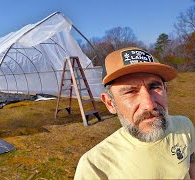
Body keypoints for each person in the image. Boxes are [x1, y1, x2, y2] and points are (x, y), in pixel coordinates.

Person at [74, 47, 195, 179]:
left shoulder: (184, 126)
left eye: (154, 87)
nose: (149, 105)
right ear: (110, 103)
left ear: (166, 91)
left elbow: (190, 163)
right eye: (131, 92)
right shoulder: (95, 167)